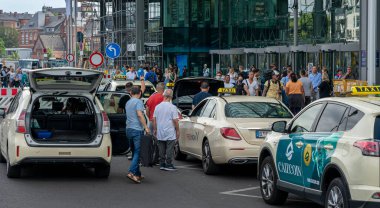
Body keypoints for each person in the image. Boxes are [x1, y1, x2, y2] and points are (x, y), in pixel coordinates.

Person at [126, 86, 150, 184]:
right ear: (140, 93)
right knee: (138, 152)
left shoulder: (128, 102)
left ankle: (138, 174)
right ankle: (131, 172)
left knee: (134, 151)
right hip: (137, 129)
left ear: (131, 93)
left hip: (128, 129)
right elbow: (140, 115)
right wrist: (146, 127)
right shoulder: (139, 102)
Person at [153, 89, 180, 171]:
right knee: (169, 148)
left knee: (161, 148)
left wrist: (155, 129)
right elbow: (175, 120)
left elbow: (154, 119)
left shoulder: (157, 107)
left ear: (163, 96)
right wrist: (177, 130)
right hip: (170, 130)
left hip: (160, 130)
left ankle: (162, 163)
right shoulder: (173, 107)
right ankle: (168, 164)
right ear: (171, 97)